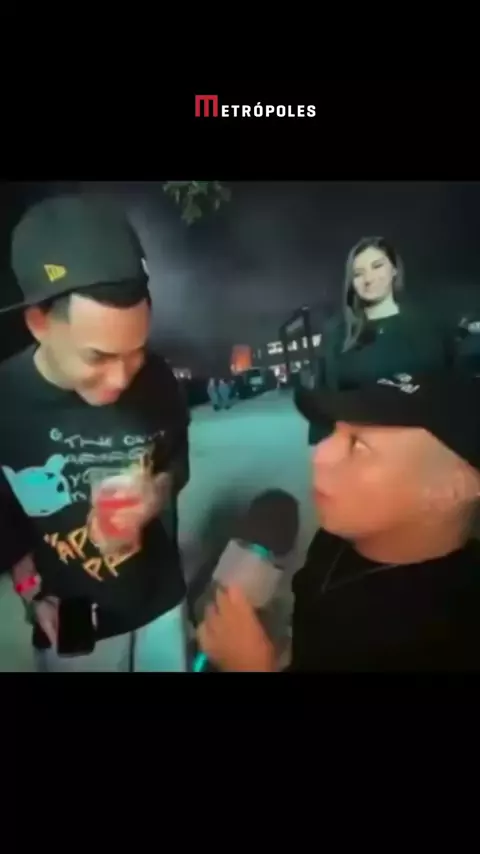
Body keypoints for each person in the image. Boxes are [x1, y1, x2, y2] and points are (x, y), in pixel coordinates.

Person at [0, 194, 191, 672]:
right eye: (98, 357)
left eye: (136, 351)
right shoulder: (6, 400)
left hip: (160, 604)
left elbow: (176, 462)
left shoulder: (157, 378)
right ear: (39, 322)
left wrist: (154, 494)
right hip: (74, 626)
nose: (121, 379)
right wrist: (32, 595)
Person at [197, 369, 480, 671]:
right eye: (334, 431)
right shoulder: (335, 541)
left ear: (452, 489)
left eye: (358, 445)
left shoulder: (453, 640)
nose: (319, 454)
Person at [308, 236, 453, 443]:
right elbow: (324, 403)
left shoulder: (429, 326)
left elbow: (453, 392)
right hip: (363, 453)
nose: (368, 278)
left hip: (427, 450)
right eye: (358, 273)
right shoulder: (337, 334)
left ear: (394, 269)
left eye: (377, 266)